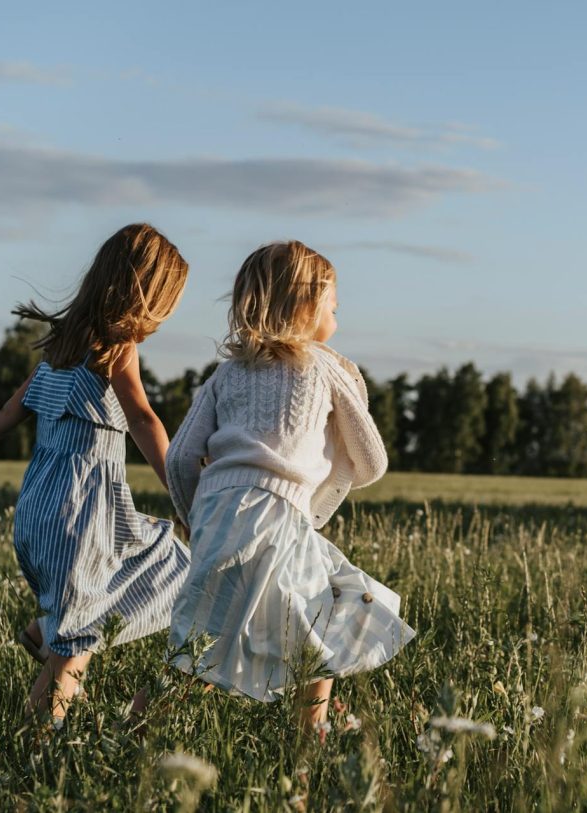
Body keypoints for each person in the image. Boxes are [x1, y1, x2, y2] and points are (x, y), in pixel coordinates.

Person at [0, 223, 192, 729]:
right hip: (82, 515)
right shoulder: (115, 347)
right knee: (80, 642)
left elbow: (6, 415)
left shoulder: (61, 346)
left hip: (41, 510)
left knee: (155, 559)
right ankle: (38, 748)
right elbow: (143, 419)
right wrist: (186, 496)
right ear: (147, 296)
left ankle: (44, 630)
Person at [165, 240, 414, 735]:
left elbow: (178, 458)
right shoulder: (323, 367)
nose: (337, 321)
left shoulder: (227, 373)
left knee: (202, 646)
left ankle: (141, 734)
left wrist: (198, 520)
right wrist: (329, 468)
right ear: (305, 307)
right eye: (333, 308)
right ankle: (309, 735)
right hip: (279, 517)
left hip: (220, 516)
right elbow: (373, 460)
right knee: (330, 616)